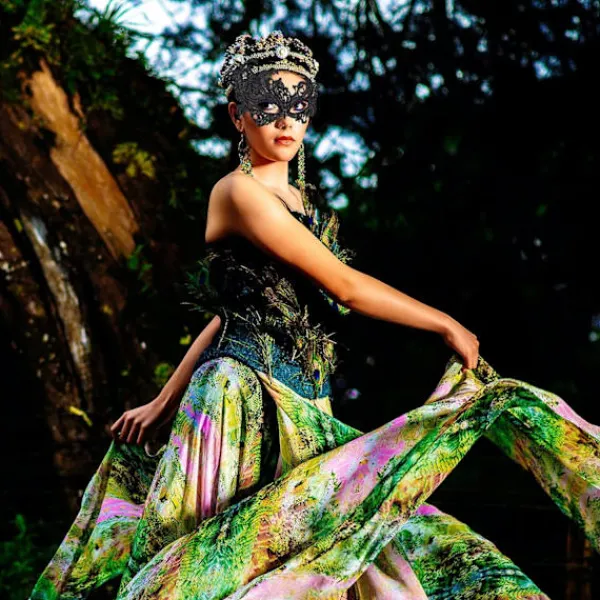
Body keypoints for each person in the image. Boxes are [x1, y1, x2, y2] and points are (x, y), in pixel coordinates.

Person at [29, 31, 600, 600]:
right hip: (236, 403)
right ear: (237, 115)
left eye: (298, 105)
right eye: (266, 105)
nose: (285, 120)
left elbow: (230, 312)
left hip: (306, 410)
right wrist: (444, 322)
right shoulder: (236, 193)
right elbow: (344, 287)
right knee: (218, 563)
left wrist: (162, 400)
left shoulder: (300, 204)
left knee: (358, 554)